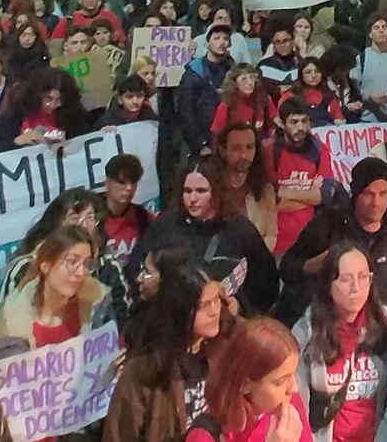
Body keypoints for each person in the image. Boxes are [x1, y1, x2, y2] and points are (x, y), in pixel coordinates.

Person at [277, 158, 387, 326]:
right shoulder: (329, 223)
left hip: (382, 329)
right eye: (368, 194)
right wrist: (312, 265)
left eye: (383, 193)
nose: (376, 202)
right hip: (331, 327)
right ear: (356, 193)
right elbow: (287, 267)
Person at [129, 157, 279, 314]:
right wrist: (147, 281)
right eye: (187, 191)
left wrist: (241, 305)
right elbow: (136, 263)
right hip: (171, 322)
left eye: (201, 191)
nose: (193, 199)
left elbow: (267, 284)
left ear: (216, 192)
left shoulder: (241, 231)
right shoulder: (165, 225)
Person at [106, 261, 236, 442]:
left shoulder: (222, 349)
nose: (214, 311)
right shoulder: (143, 372)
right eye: (204, 305)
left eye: (216, 301)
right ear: (181, 310)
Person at [292, 244, 387, 442]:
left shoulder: (383, 323)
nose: (356, 288)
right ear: (328, 285)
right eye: (346, 279)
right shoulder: (306, 331)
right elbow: (298, 404)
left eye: (364, 277)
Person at [0, 224, 115, 359]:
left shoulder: (98, 306)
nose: (81, 272)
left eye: (87, 264)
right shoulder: (10, 320)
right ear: (45, 265)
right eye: (72, 262)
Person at [181, 317, 312, 442]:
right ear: (244, 384)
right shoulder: (204, 436)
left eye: (292, 375)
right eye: (280, 382)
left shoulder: (289, 405)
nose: (294, 388)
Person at [265, 98, 336, 256]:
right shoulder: (268, 151)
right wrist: (309, 196)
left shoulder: (318, 149)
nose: (301, 127)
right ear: (282, 124)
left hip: (309, 243)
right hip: (275, 245)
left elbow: (325, 195)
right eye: (294, 122)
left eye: (304, 121)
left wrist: (285, 192)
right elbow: (267, 203)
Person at [0, 69, 90, 154]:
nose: (52, 105)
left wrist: (68, 143)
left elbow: (85, 139)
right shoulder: (18, 112)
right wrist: (16, 141)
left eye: (59, 100)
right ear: (38, 94)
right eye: (48, 99)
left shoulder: (73, 114)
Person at [215, 124, 279, 252]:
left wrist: (255, 259)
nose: (244, 155)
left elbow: (271, 234)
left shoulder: (265, 190)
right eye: (236, 148)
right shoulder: (212, 188)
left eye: (249, 147)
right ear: (223, 151)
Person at [180, 26, 236, 152]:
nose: (222, 42)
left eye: (226, 39)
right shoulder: (193, 72)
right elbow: (186, 111)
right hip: (202, 141)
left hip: (229, 140)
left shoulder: (234, 71)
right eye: (216, 38)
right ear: (206, 43)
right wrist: (199, 144)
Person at [351, 18, 387, 123]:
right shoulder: (361, 58)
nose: (381, 30)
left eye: (384, 27)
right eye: (376, 27)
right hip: (367, 119)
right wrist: (369, 96)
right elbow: (355, 87)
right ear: (370, 34)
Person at [213, 65, 277, 138]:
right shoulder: (227, 105)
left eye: (252, 77)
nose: (250, 82)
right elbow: (216, 134)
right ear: (235, 83)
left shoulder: (264, 99)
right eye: (244, 79)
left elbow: (273, 125)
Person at [53, 0, 129, 43]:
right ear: (79, 1)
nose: (90, 0)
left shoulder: (111, 18)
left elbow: (121, 42)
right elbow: (55, 46)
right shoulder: (68, 21)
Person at [286, 57, 341, 127]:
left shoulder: (328, 94)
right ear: (301, 75)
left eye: (317, 71)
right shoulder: (290, 95)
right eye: (308, 72)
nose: (313, 76)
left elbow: (339, 118)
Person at [258, 26, 300, 100]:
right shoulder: (264, 66)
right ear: (273, 45)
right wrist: (276, 90)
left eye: (285, 41)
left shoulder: (301, 64)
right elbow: (259, 89)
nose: (282, 45)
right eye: (278, 42)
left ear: (292, 41)